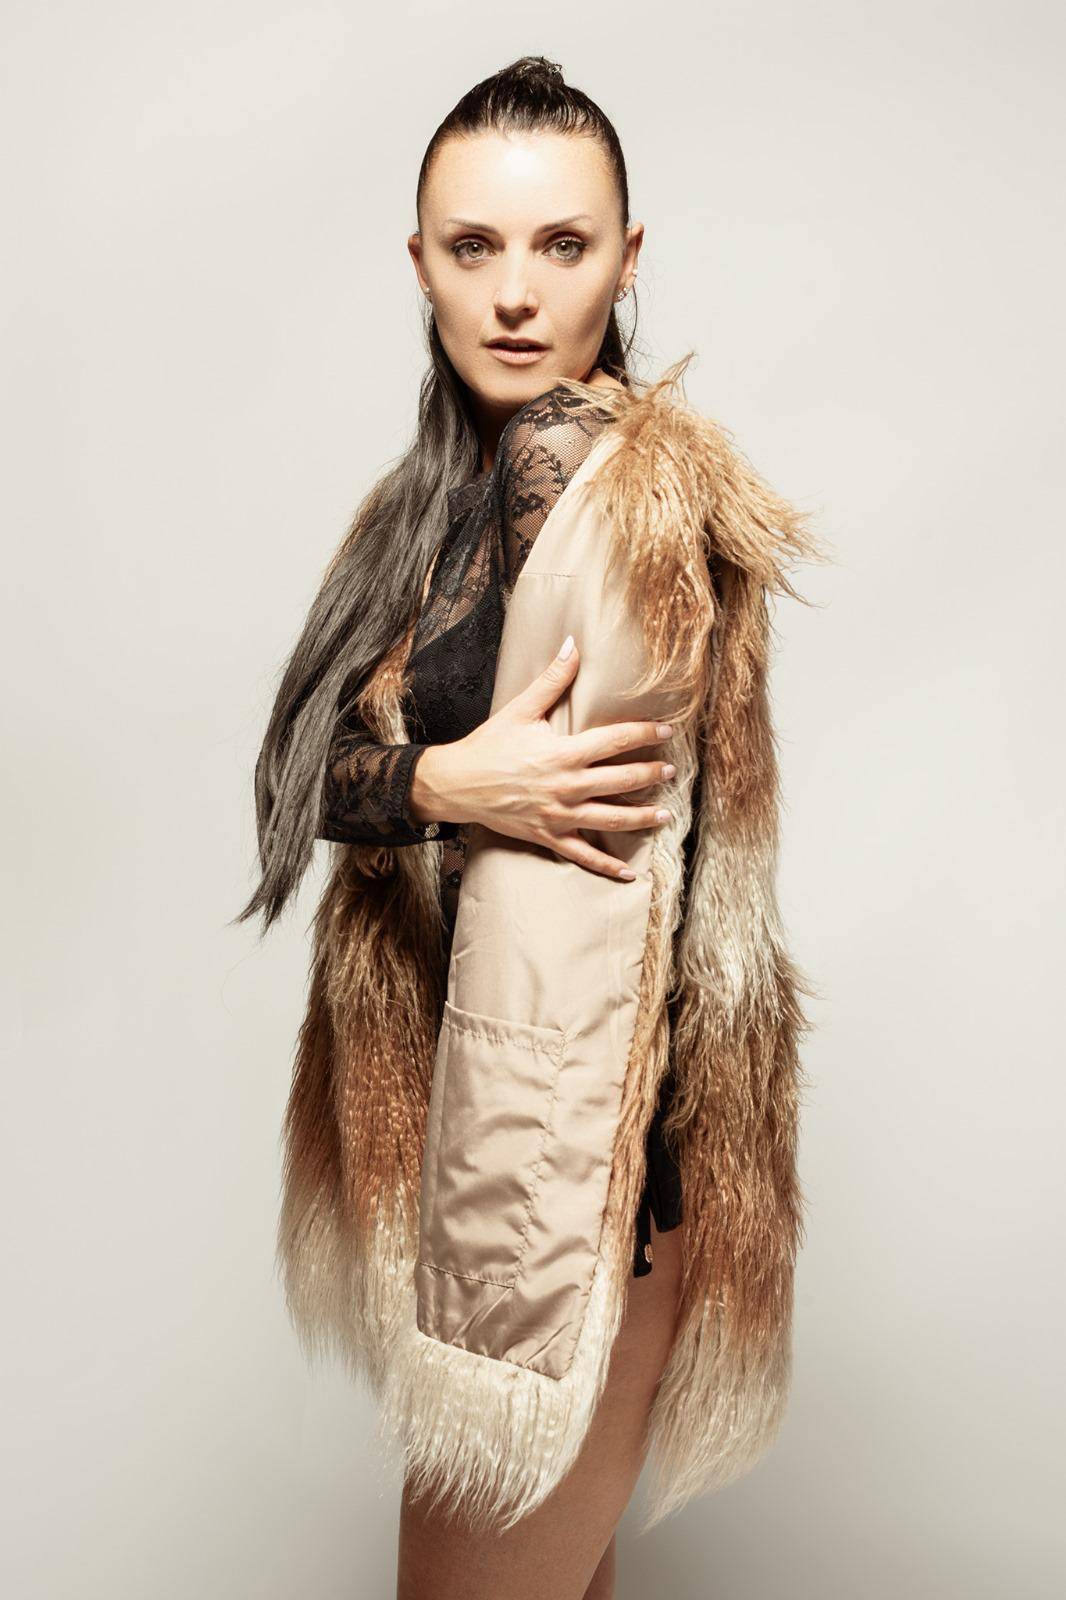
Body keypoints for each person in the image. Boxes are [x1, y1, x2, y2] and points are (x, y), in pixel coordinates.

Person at [238, 55, 823, 1600]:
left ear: (627, 261)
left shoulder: (602, 485)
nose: (513, 292)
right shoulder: (423, 506)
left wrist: (444, 787)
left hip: (577, 1185)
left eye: (561, 245)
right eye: (473, 246)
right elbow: (303, 781)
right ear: (418, 262)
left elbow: (597, 911)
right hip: (491, 1157)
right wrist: (446, 784)